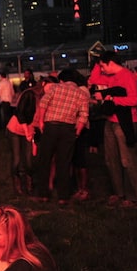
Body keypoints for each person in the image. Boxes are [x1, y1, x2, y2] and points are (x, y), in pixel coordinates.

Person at [89, 52, 137, 208]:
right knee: (111, 159)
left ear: (111, 63)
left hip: (124, 122)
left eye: (102, 66)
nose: (102, 69)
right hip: (111, 121)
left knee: (127, 159)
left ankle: (135, 197)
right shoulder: (110, 77)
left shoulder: (127, 76)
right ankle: (120, 193)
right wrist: (97, 61)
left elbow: (134, 99)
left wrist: (113, 99)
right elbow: (93, 80)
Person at [32, 68, 90, 205]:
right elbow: (84, 116)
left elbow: (43, 104)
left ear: (62, 79)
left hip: (51, 126)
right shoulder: (81, 94)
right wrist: (77, 132)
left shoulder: (55, 88)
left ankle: (43, 194)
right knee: (64, 162)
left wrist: (41, 122)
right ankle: (63, 196)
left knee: (45, 160)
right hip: (68, 128)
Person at [6, 86, 38, 196]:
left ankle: (29, 184)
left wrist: (33, 138)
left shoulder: (44, 101)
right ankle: (17, 185)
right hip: (15, 128)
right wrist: (27, 132)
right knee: (17, 158)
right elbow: (20, 113)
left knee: (29, 159)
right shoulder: (29, 95)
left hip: (29, 131)